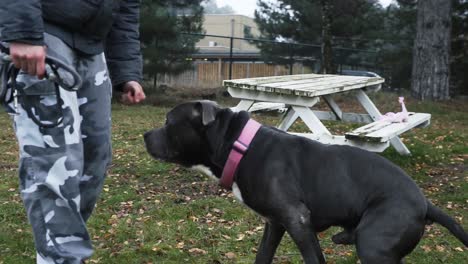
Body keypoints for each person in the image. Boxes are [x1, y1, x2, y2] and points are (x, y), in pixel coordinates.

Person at [0, 1, 146, 263]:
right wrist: (22, 31)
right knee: (54, 162)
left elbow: (125, 7)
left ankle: (60, 250)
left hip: (92, 44)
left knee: (94, 159)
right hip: (41, 33)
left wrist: (127, 71)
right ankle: (60, 258)